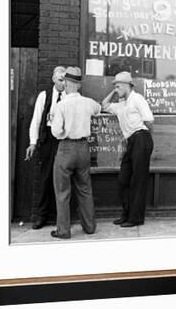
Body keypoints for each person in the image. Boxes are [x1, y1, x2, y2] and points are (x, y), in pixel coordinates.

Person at [50, 66, 101, 239]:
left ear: (66, 83)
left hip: (66, 148)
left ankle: (63, 230)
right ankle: (89, 226)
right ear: (78, 85)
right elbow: (99, 109)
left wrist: (64, 132)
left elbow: (56, 131)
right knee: (85, 189)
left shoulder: (61, 105)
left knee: (63, 192)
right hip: (83, 148)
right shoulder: (88, 102)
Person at [102, 72, 154, 228]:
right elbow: (104, 105)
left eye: (118, 86)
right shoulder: (121, 105)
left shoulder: (137, 99)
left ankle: (135, 218)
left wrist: (145, 140)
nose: (116, 90)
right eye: (115, 87)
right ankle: (126, 214)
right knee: (123, 179)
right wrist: (115, 91)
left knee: (138, 180)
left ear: (127, 86)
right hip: (131, 141)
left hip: (141, 137)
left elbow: (149, 120)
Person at [25, 66, 67, 230]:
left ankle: (61, 217)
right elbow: (36, 119)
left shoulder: (69, 97)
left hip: (63, 138)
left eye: (65, 80)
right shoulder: (44, 96)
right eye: (60, 80)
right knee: (45, 178)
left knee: (62, 178)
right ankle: (41, 216)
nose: (63, 84)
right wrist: (33, 142)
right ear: (53, 79)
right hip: (48, 139)